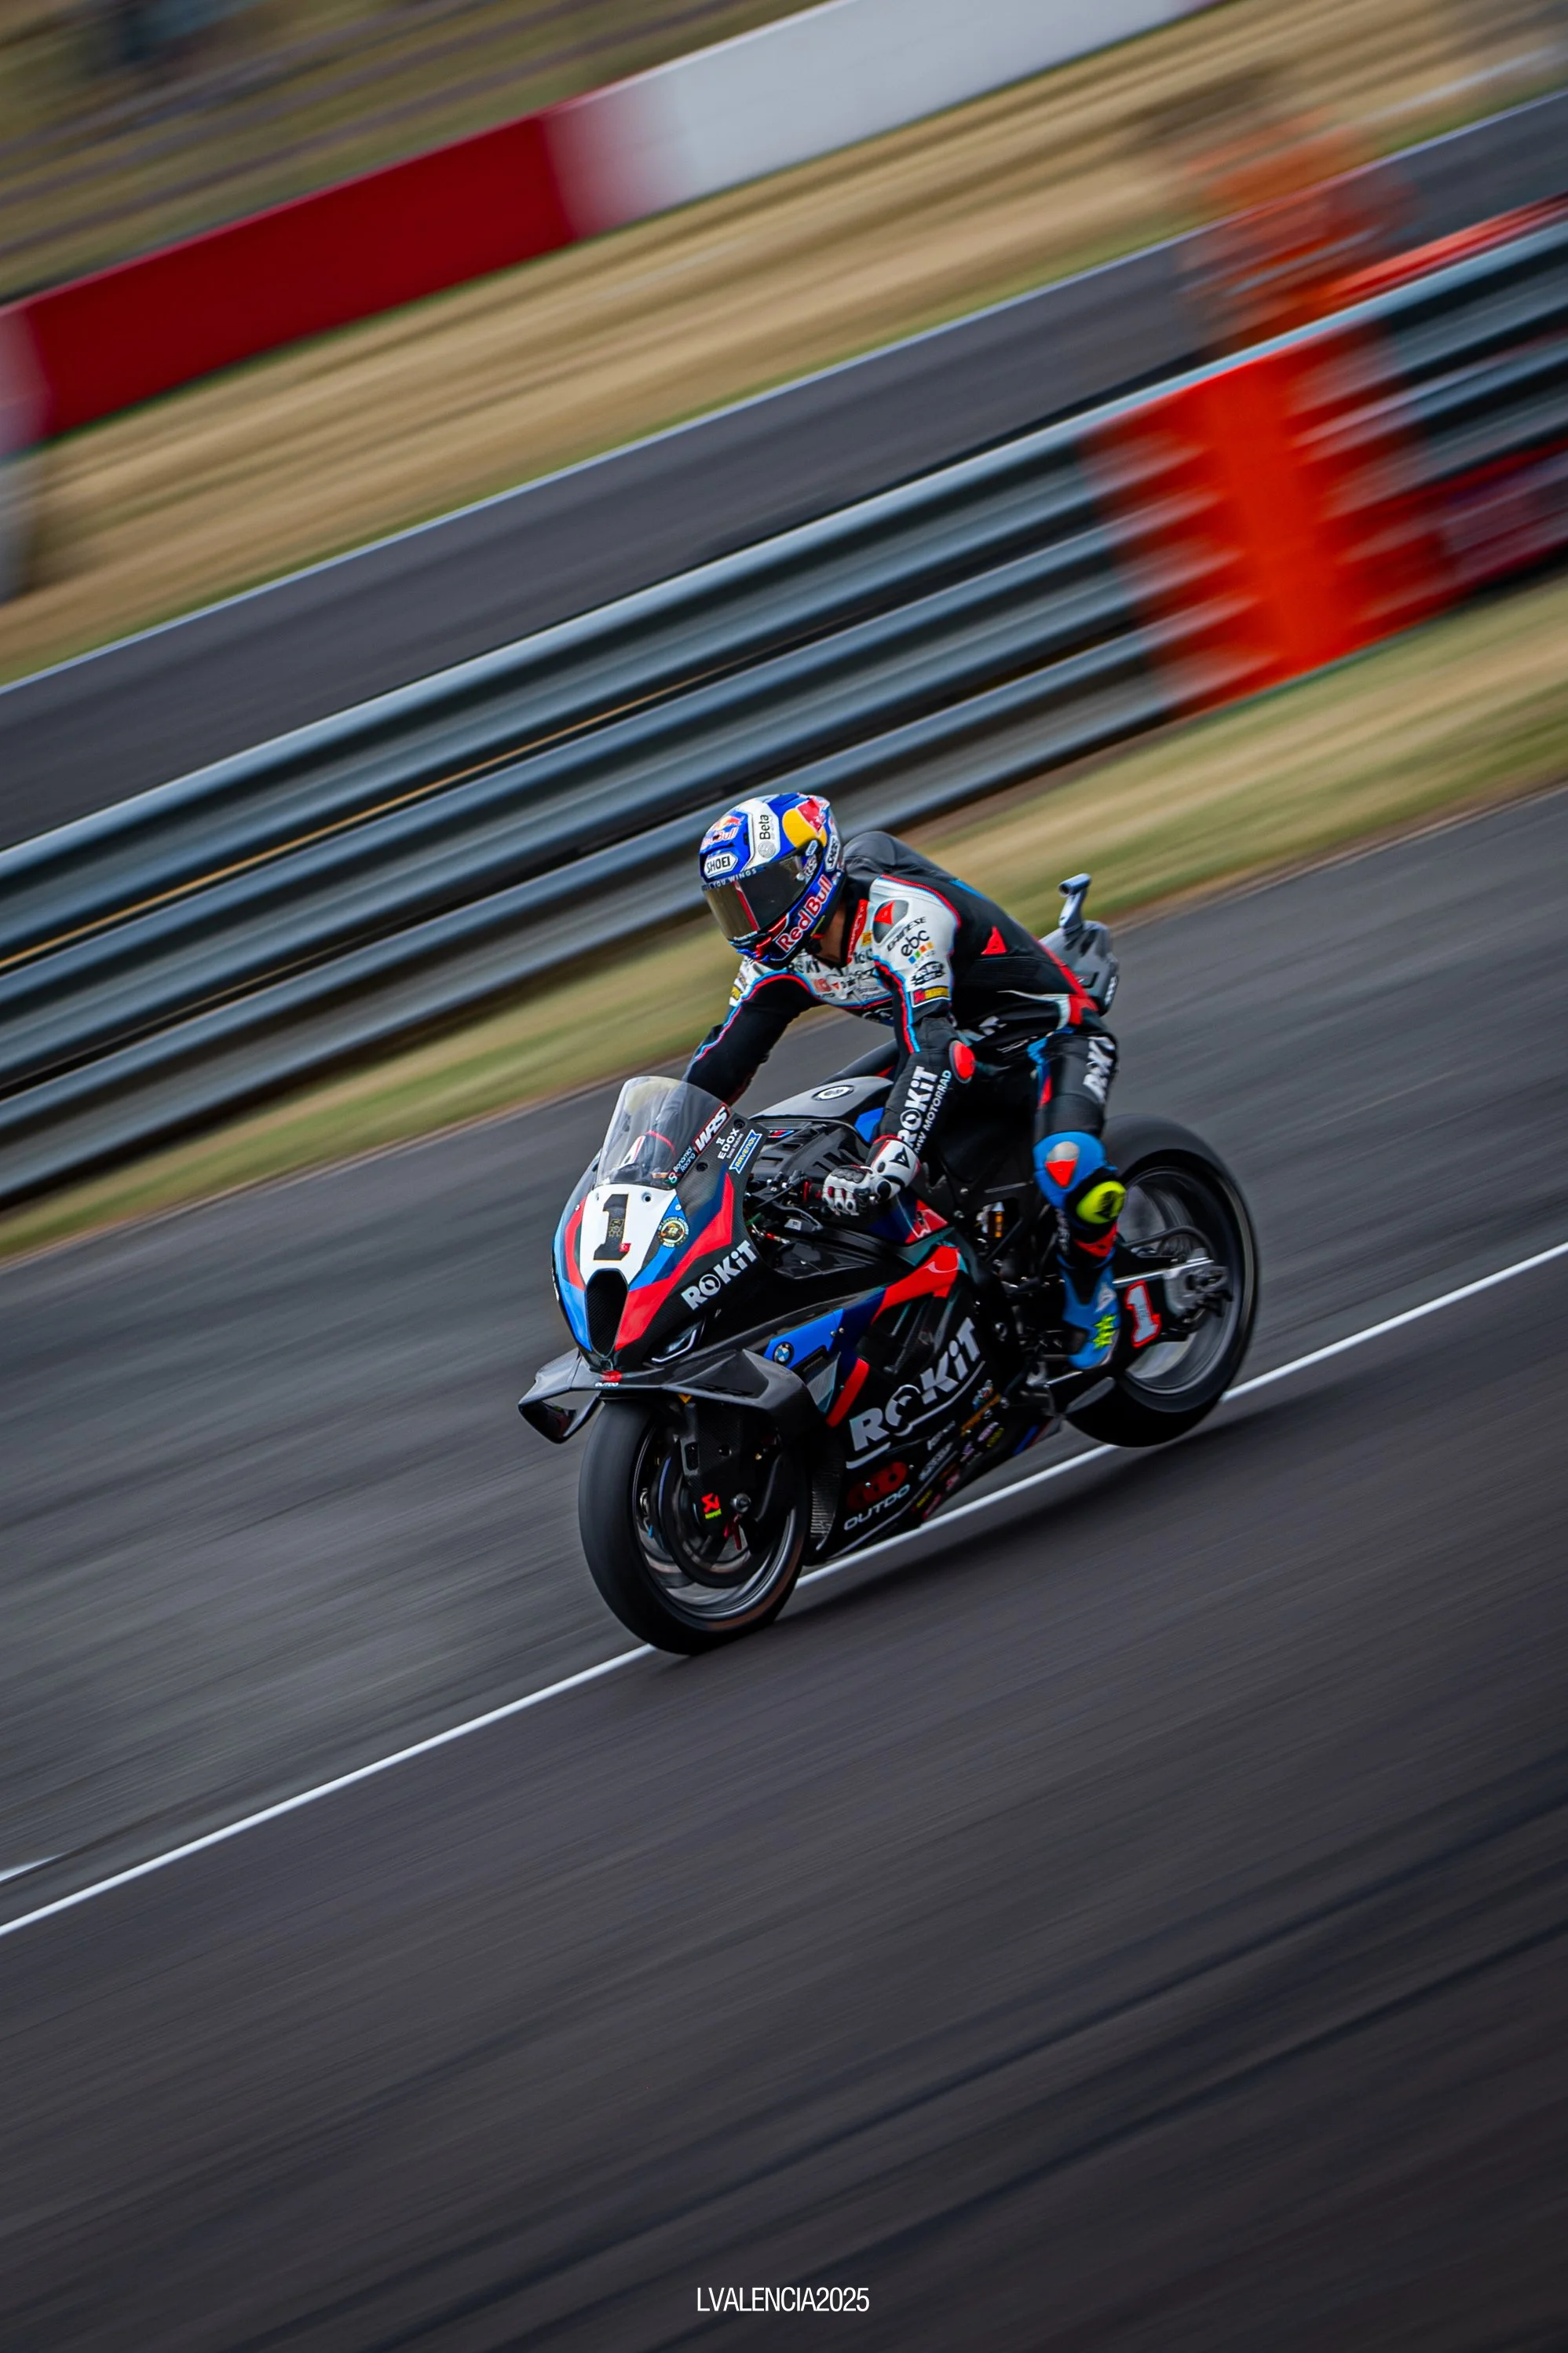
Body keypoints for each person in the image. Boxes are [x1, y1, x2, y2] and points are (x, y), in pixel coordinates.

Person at [689, 790, 1125, 1373]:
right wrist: (654, 1155)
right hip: (959, 1047)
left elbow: (930, 1046)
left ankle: (1091, 1292)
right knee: (822, 1125)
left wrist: (889, 1159)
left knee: (1070, 1164)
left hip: (1049, 1036)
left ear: (808, 872)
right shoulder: (779, 958)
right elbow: (720, 1064)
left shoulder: (900, 914)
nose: (748, 920)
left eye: (757, 897)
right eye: (731, 907)